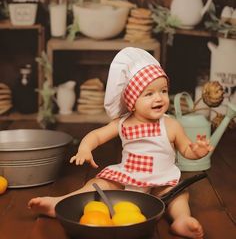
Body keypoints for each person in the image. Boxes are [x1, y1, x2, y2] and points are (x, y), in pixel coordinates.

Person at [28, 47, 213, 238]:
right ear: (132, 101)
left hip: (161, 181)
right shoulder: (123, 123)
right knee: (97, 184)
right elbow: (97, 136)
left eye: (163, 91)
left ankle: (181, 220)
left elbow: (186, 149)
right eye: (148, 94)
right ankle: (60, 203)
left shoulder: (171, 124)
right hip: (128, 179)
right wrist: (85, 148)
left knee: (179, 194)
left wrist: (197, 151)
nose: (159, 97)